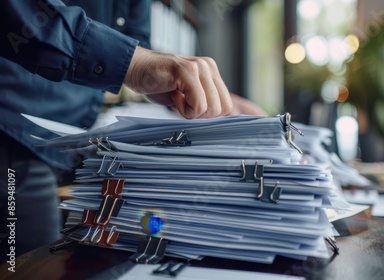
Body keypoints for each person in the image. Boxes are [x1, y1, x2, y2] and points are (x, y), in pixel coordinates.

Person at [0, 0, 264, 261]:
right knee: (27, 265)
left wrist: (194, 89)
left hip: (57, 135)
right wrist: (135, 63)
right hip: (13, 124)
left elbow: (136, 47)